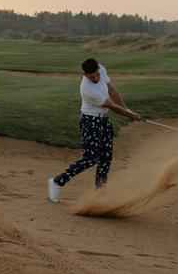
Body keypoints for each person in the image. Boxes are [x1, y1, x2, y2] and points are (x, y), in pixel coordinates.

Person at [48, 58, 141, 203]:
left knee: (106, 157)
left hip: (103, 120)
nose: (96, 78)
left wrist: (127, 108)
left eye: (97, 74)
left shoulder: (101, 70)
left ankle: (100, 192)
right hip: (90, 122)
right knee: (91, 158)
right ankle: (57, 181)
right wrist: (130, 115)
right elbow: (111, 105)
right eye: (92, 77)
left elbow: (111, 90)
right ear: (85, 75)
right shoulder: (87, 90)